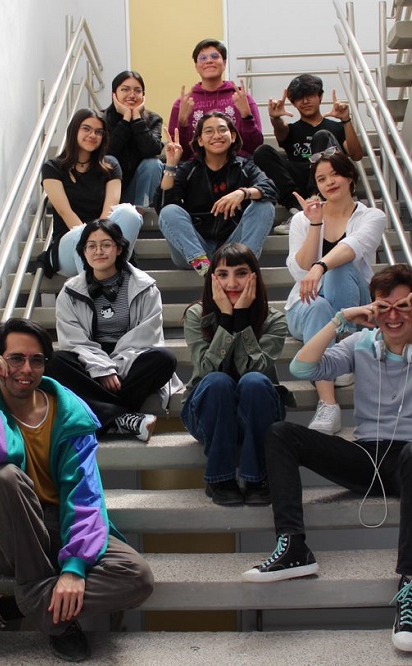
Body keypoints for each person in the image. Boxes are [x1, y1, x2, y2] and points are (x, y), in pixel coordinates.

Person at [242, 265, 412, 655]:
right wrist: (340, 318)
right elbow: (304, 367)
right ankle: (294, 547)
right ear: (373, 308)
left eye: (403, 305)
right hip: (370, 456)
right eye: (384, 306)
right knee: (281, 433)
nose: (393, 315)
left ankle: (410, 586)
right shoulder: (362, 344)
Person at [0, 318, 154, 663]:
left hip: (53, 527)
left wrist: (74, 568)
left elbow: (84, 494)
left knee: (136, 578)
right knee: (3, 477)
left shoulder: (70, 414)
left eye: (36, 360)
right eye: (16, 358)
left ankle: (6, 607)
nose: (26, 368)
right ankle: (58, 622)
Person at [48, 219, 181, 441]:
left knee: (164, 359)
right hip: (89, 359)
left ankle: (102, 417)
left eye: (106, 244)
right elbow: (73, 341)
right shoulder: (70, 292)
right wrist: (101, 368)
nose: (98, 251)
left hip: (132, 356)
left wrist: (113, 368)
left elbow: (147, 337)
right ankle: (123, 418)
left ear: (119, 248)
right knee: (55, 361)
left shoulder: (145, 287)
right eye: (91, 246)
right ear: (83, 252)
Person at [284, 148, 386, 435]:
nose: (329, 182)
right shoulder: (303, 220)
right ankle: (328, 404)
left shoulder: (372, 216)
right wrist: (315, 223)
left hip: (355, 304)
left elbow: (353, 248)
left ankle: (342, 343)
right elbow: (299, 271)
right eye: (321, 178)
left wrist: (321, 266)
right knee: (318, 307)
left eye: (336, 174)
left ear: (351, 176)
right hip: (306, 307)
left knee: (339, 267)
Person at [181, 243, 291, 507]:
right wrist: (226, 320)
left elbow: (256, 371)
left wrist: (240, 317)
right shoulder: (197, 315)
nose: (232, 283)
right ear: (212, 278)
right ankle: (220, 478)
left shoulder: (273, 319)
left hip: (258, 412)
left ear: (254, 276)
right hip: (207, 415)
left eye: (241, 273)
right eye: (222, 274)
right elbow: (208, 371)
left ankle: (257, 478)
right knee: (218, 382)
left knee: (253, 381)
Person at [157, 112, 276, 276]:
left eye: (222, 130)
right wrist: (171, 165)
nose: (216, 136)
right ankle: (206, 269)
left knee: (264, 205)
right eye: (209, 131)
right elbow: (164, 208)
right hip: (192, 249)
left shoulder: (245, 167)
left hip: (233, 249)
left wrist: (242, 193)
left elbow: (270, 188)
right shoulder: (188, 170)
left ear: (232, 136)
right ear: (200, 140)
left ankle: (244, 266)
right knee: (169, 211)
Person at [254, 74, 363, 235]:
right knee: (262, 152)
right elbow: (281, 130)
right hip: (299, 179)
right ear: (293, 103)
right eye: (299, 98)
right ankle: (297, 210)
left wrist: (346, 120)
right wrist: (275, 118)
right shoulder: (291, 130)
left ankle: (316, 200)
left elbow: (356, 155)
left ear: (320, 97)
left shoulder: (335, 129)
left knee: (322, 135)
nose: (305, 101)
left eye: (310, 95)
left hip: (328, 179)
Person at [41, 108, 143, 277]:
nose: (92, 135)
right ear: (74, 130)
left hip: (104, 243)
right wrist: (92, 243)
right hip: (68, 245)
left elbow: (108, 212)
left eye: (98, 131)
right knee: (80, 233)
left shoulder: (110, 165)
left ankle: (111, 279)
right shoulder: (53, 168)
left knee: (129, 213)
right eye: (86, 129)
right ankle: (97, 290)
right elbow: (64, 211)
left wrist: (100, 245)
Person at [167, 38, 263, 161]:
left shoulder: (242, 98)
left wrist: (246, 116)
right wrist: (182, 122)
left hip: (238, 165)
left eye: (214, 56)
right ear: (196, 66)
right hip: (197, 167)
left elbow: (255, 147)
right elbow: (180, 155)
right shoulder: (183, 103)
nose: (209, 61)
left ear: (224, 62)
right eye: (203, 58)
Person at [104, 70, 164, 209]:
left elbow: (152, 150)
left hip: (137, 193)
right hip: (108, 196)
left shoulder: (153, 119)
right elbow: (107, 151)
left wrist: (136, 118)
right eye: (125, 90)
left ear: (143, 95)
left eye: (137, 91)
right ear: (114, 94)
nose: (132, 95)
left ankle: (141, 211)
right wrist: (125, 119)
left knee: (153, 163)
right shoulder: (102, 119)